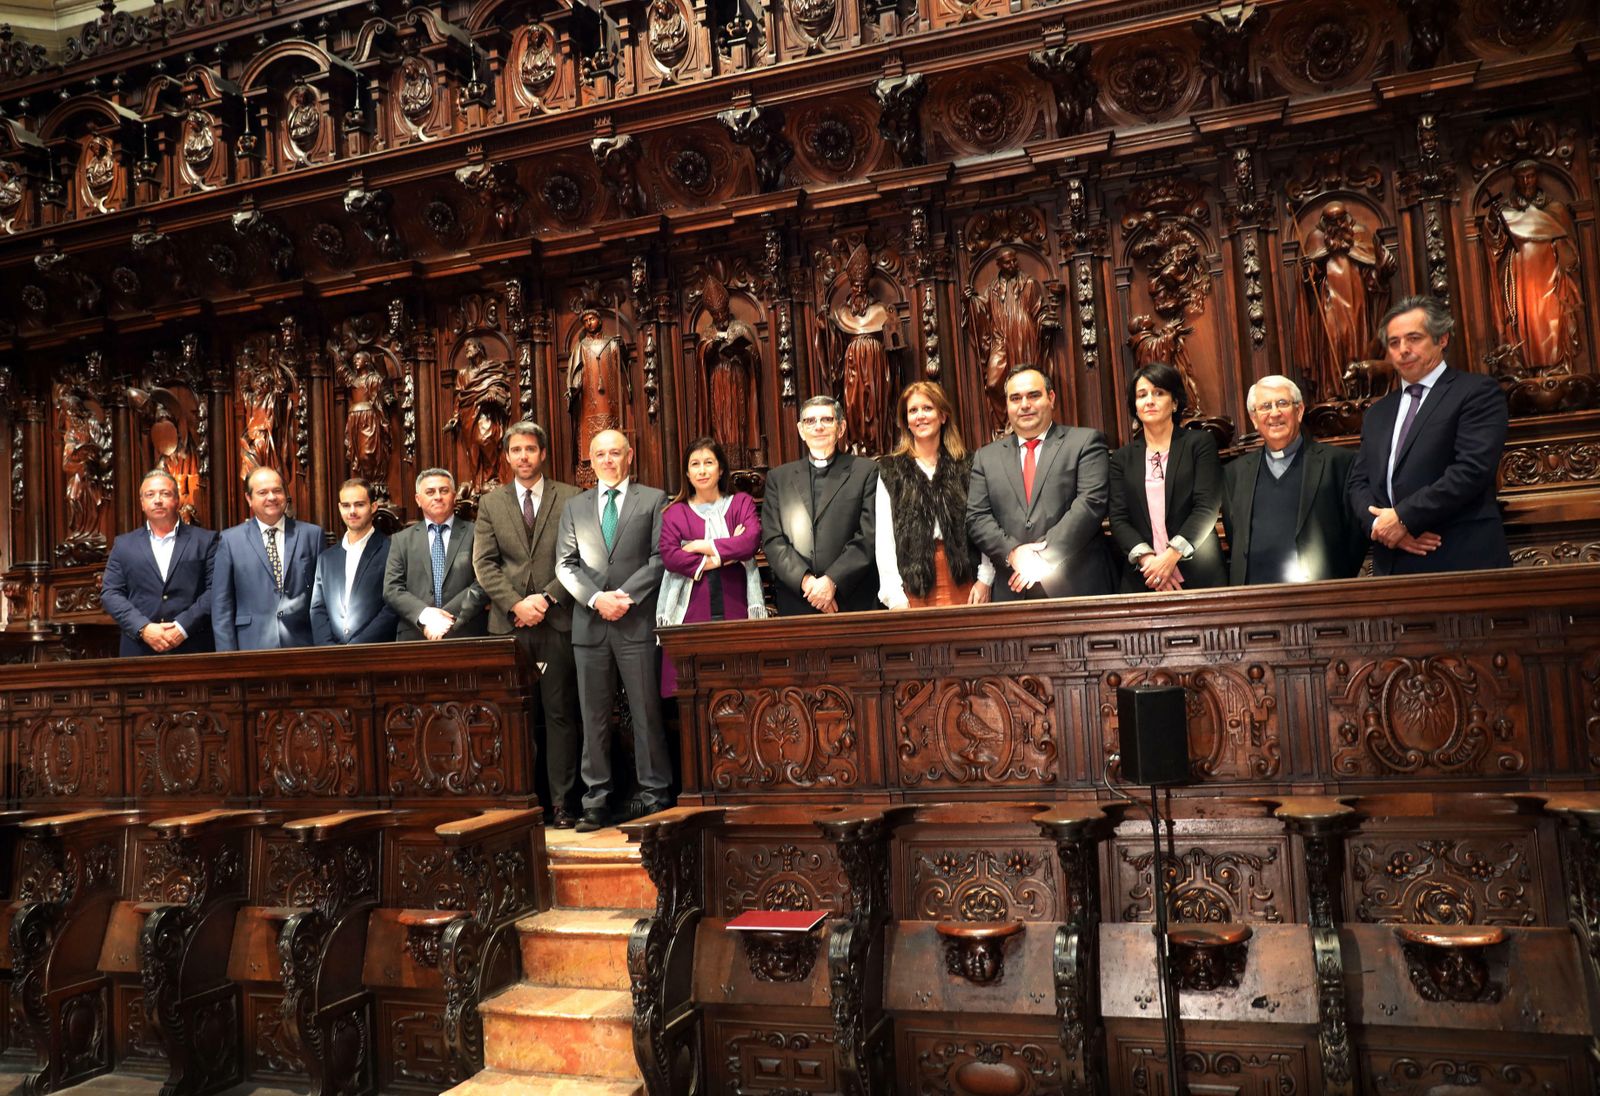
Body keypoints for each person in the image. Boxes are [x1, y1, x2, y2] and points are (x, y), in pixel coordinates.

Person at [1347, 295, 1511, 575]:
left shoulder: (1476, 392)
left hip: (1459, 558)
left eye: (1414, 338)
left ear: (1442, 339)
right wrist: (1381, 526)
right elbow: (1358, 483)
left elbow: (1471, 470)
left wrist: (1403, 519)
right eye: (1394, 343)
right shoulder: (1377, 413)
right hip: (1393, 564)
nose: (1403, 350)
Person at [556, 429, 670, 832]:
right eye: (600, 454)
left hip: (635, 621)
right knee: (593, 718)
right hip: (590, 626)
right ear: (591, 461)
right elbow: (565, 564)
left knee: (646, 712)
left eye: (615, 453)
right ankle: (596, 801)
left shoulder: (653, 499)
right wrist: (595, 599)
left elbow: (660, 558)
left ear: (630, 455)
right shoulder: (575, 506)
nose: (608, 460)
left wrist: (624, 596)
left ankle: (656, 795)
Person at [472, 422, 584, 828]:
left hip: (558, 622)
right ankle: (522, 803)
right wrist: (516, 603)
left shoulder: (570, 497)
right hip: (509, 627)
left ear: (543, 453)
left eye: (531, 449)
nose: (523, 456)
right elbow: (484, 563)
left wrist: (546, 598)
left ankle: (563, 804)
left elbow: (579, 555)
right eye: (516, 450)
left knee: (560, 715)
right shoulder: (491, 503)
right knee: (515, 718)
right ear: (506, 456)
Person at [966, 365, 1113, 600]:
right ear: (1007, 405)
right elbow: (977, 517)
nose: (1025, 405)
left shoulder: (1085, 442)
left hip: (1076, 589)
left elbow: (1090, 505)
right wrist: (1013, 553)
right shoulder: (986, 457)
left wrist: (1040, 557)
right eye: (1015, 398)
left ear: (1051, 398)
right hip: (1012, 591)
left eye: (1033, 395)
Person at [1221, 376, 1367, 585]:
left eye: (1282, 403)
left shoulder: (1339, 463)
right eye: (1265, 406)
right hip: (1254, 595)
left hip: (1320, 593)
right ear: (1254, 419)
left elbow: (1355, 537)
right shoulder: (1234, 473)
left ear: (1299, 411)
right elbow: (1235, 536)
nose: (1274, 413)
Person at [657, 437, 765, 694]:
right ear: (687, 472)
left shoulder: (740, 503)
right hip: (690, 613)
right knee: (693, 692)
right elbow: (671, 556)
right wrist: (725, 553)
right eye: (695, 464)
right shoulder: (675, 513)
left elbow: (750, 542)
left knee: (740, 688)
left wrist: (699, 545)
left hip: (737, 605)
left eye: (709, 462)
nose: (702, 470)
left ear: (721, 468)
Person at [1107, 362, 1225, 592]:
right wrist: (1150, 563)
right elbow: (1118, 518)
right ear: (1135, 406)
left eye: (1159, 393)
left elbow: (1206, 507)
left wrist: (1170, 558)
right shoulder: (1122, 458)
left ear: (1174, 402)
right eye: (1142, 395)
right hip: (1144, 576)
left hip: (1199, 572)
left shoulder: (1199, 444)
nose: (1149, 400)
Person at [874, 382, 993, 609]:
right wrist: (894, 596)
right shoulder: (891, 470)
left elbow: (983, 522)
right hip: (912, 585)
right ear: (906, 421)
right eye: (913, 410)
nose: (920, 416)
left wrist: (985, 578)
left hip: (965, 581)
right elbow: (884, 538)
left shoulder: (967, 464)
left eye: (927, 408)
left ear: (943, 415)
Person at [760, 396, 879, 615]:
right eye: (810, 421)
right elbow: (772, 540)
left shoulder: (865, 472)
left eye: (827, 419)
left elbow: (868, 536)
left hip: (852, 599)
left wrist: (832, 581)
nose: (818, 427)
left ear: (841, 428)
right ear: (800, 430)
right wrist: (807, 583)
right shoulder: (779, 478)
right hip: (798, 600)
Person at [100, 469, 218, 656]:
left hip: (193, 647)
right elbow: (110, 593)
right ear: (142, 503)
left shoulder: (205, 541)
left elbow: (215, 591)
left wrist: (182, 627)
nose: (157, 500)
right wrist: (143, 628)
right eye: (150, 494)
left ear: (177, 500)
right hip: (139, 650)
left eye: (165, 493)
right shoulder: (123, 545)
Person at [211, 467, 324, 650]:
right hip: (251, 647)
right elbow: (221, 606)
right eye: (262, 492)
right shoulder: (230, 540)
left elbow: (321, 600)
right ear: (249, 499)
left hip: (302, 646)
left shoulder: (311, 535)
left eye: (277, 490)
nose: (271, 497)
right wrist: (228, 659)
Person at [384, 468, 489, 641]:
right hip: (416, 636)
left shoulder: (477, 533)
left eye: (444, 491)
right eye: (430, 492)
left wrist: (444, 619)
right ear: (418, 499)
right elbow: (392, 589)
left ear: (454, 496)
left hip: (466, 633)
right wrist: (426, 615)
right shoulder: (401, 540)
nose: (438, 496)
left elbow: (485, 581)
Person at [309, 478, 397, 645]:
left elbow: (392, 607)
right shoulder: (326, 558)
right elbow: (318, 608)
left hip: (375, 650)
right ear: (339, 507)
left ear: (373, 507)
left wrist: (356, 647)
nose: (352, 511)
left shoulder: (391, 551)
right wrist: (328, 648)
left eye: (359, 504)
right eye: (346, 505)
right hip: (332, 654)